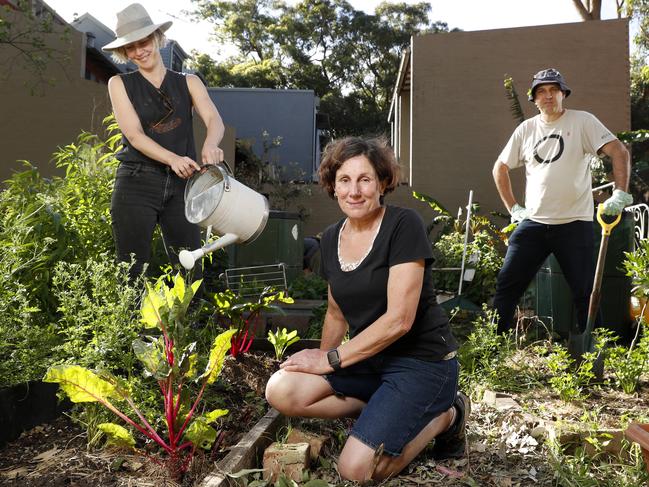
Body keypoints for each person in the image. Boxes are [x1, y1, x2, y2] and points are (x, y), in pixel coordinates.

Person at [265, 137, 469, 482]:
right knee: (281, 390)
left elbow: (399, 321)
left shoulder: (404, 225)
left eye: (365, 179)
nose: (354, 191)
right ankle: (382, 408)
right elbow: (336, 312)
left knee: (357, 470)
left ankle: (446, 416)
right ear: (333, 186)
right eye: (345, 180)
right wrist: (324, 361)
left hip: (422, 363)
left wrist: (329, 360)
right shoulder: (330, 238)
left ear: (382, 183)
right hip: (370, 361)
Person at [492, 68, 632, 334]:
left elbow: (619, 151)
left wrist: (619, 193)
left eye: (553, 90)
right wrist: (514, 208)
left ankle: (591, 351)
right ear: (534, 99)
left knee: (585, 293)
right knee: (506, 285)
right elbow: (500, 168)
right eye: (541, 92)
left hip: (574, 224)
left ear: (563, 94)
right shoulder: (526, 129)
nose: (547, 96)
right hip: (533, 224)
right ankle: (490, 346)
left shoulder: (582, 122)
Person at [102, 3, 225, 280]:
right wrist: (172, 158)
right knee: (131, 270)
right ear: (124, 52)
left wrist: (210, 143)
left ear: (156, 38)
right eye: (130, 48)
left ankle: (189, 324)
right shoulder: (119, 84)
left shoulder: (189, 82)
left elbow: (214, 119)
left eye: (143, 41)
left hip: (183, 186)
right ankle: (131, 324)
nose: (139, 51)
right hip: (136, 182)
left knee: (190, 266)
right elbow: (134, 135)